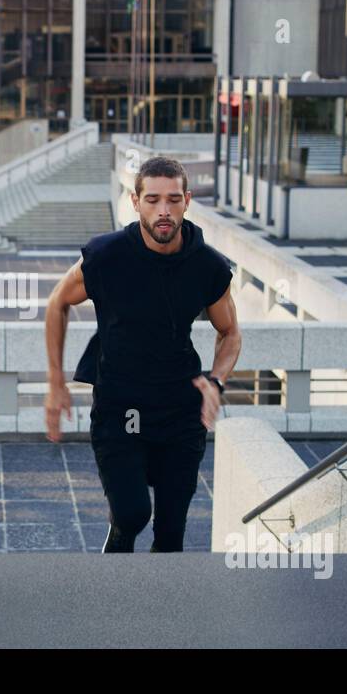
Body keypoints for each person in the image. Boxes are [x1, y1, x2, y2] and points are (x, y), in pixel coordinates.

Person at [44, 156, 242, 552]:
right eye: (152, 200)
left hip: (180, 412)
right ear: (135, 203)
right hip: (120, 408)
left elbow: (230, 332)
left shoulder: (208, 266)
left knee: (171, 534)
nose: (163, 211)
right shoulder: (106, 256)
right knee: (132, 515)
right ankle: (114, 580)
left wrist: (216, 381)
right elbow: (57, 303)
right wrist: (55, 382)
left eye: (173, 200)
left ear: (187, 201)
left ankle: (159, 610)